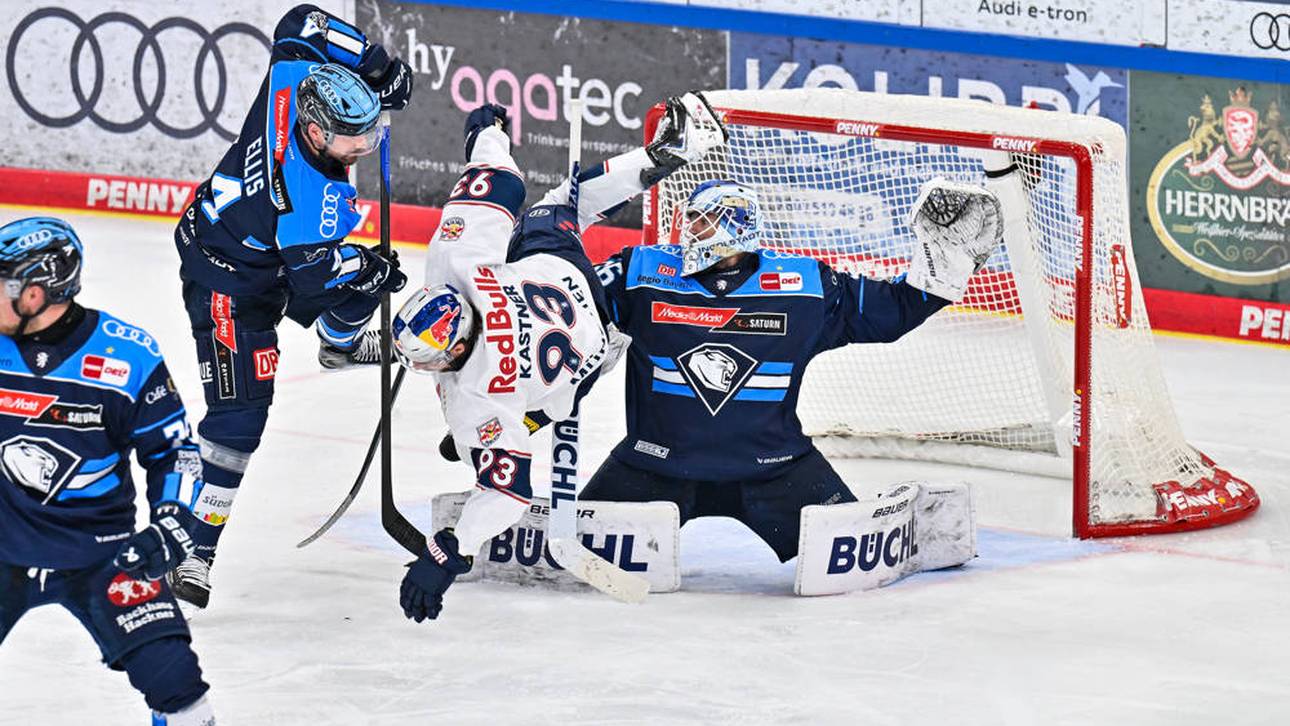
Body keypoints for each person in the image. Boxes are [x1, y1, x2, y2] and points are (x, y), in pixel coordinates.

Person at [390, 94, 727, 622]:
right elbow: (499, 180)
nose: (429, 370)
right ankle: (664, 154)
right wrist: (487, 133)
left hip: (597, 347)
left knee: (538, 410)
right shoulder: (455, 265)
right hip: (558, 269)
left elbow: (509, 492)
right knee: (564, 200)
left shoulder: (477, 400)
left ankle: (530, 418)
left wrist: (451, 552)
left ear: (453, 348)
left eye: (430, 363)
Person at [580, 168, 1009, 564]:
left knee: (855, 555)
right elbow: (569, 300)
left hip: (775, 469)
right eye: (690, 219)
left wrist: (944, 264)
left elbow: (893, 312)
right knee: (574, 545)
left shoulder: (805, 286)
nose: (691, 230)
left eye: (703, 220)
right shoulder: (639, 272)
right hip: (654, 465)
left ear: (736, 225)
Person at [169, 5, 415, 608]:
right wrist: (367, 266)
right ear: (313, 131)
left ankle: (339, 343)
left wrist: (375, 65)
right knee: (239, 419)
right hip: (227, 282)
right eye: (350, 139)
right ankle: (196, 551)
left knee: (363, 277)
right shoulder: (312, 202)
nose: (362, 146)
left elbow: (300, 20)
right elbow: (313, 281)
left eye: (369, 133)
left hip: (255, 248)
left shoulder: (291, 78)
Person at [0, 218, 215, 724]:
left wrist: (168, 530)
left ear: (36, 293)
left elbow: (174, 453)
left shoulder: (127, 356)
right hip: (4, 546)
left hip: (104, 555)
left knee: (179, 687)